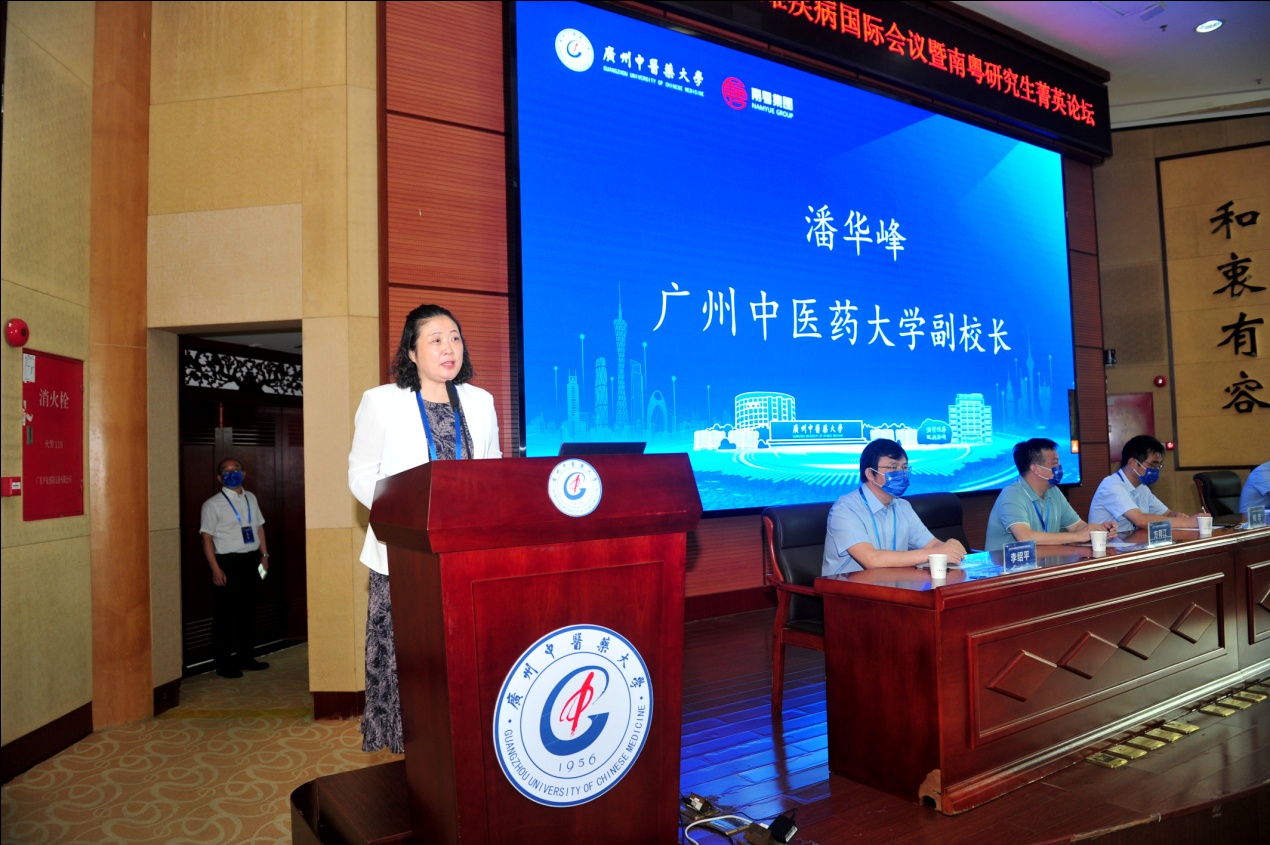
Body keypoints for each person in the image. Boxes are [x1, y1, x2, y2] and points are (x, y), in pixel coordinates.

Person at [348, 304, 501, 754]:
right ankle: (407, 745)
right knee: (408, 657)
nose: (448, 347)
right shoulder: (382, 401)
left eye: (454, 337)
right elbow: (361, 475)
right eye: (435, 340)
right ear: (411, 353)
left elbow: (492, 471)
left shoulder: (480, 402)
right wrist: (408, 514)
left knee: (463, 656)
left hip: (466, 555)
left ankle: (464, 743)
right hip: (406, 555)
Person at [822, 438, 967, 575]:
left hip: (893, 586)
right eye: (893, 467)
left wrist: (949, 548)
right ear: (870, 474)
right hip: (846, 589)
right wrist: (936, 553)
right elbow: (871, 560)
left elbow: (932, 545)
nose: (901, 474)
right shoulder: (845, 509)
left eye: (904, 468)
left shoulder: (903, 506)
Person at [200, 457, 270, 679]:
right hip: (227, 564)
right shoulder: (212, 504)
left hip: (251, 561)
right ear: (219, 477)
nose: (232, 473)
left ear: (244, 473)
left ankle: (246, 657)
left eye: (236, 469)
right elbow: (206, 539)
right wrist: (215, 569)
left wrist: (264, 556)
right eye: (226, 471)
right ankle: (223, 664)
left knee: (247, 613)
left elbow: (259, 528)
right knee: (224, 616)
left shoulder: (251, 498)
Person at [985, 438, 1116, 551]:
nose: (1060, 466)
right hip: (1006, 568)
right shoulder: (1012, 494)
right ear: (1036, 469)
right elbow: (1024, 537)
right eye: (1055, 463)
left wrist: (1099, 531)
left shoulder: (1053, 491)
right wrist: (1078, 536)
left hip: (1043, 563)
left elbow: (1076, 526)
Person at [1089, 435, 1198, 535]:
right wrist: (1189, 522)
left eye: (1158, 466)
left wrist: (1178, 516)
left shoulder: (1142, 487)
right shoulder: (1111, 485)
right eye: (1153, 465)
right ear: (1132, 463)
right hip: (1108, 546)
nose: (1156, 470)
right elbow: (1140, 520)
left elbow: (1167, 514)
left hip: (1131, 543)